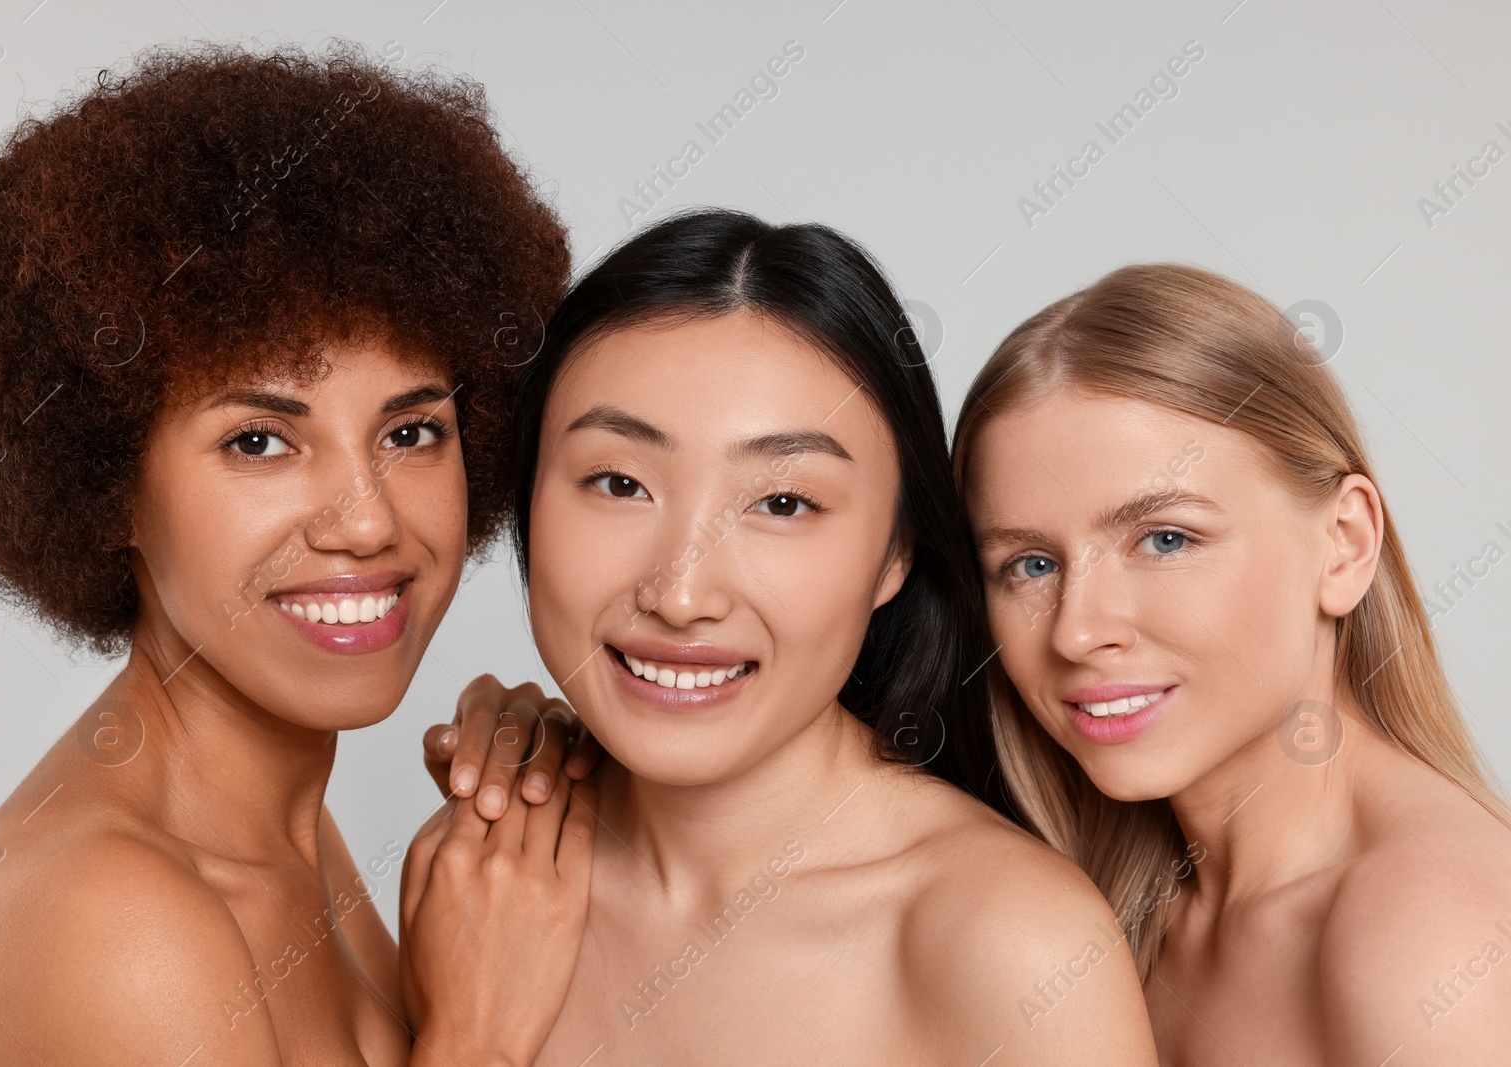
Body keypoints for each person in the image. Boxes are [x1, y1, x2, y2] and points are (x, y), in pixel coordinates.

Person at [0, 43, 596, 1066]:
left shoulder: (285, 832)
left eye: (411, 431)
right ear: (107, 486)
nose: (366, 523)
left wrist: (548, 798)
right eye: (259, 440)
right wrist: (476, 1035)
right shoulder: (121, 925)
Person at [465, 208, 1159, 1065]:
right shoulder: (489, 879)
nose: (681, 594)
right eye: (618, 482)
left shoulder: (1014, 948)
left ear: (896, 553)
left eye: (783, 503)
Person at [953, 263, 1511, 1062]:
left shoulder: (1432, 939)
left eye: (1166, 539)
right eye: (1030, 564)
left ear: (1344, 545)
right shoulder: (1122, 913)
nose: (1076, 631)